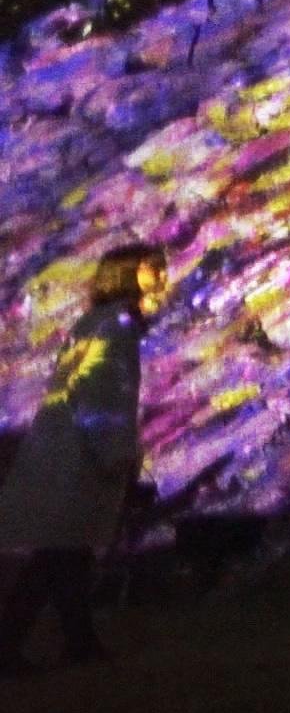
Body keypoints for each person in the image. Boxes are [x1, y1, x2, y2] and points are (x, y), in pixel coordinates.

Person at [1, 245, 162, 673]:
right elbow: (101, 391)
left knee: (63, 553)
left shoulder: (97, 323)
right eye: (151, 271)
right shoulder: (116, 326)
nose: (161, 279)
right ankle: (29, 646)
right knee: (61, 552)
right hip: (79, 457)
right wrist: (116, 455)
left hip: (65, 451)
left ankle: (76, 644)